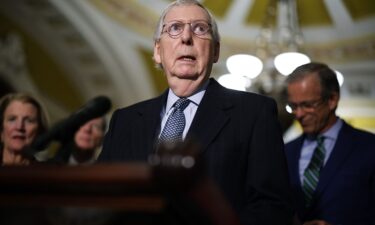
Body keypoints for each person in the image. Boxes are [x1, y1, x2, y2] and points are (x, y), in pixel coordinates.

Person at [98, 0, 294, 224]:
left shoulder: (253, 113)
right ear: (158, 51)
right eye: (174, 28)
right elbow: (102, 199)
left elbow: (271, 206)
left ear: (215, 51)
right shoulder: (125, 121)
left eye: (200, 28)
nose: (186, 37)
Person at [284, 62, 375, 225]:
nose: (298, 114)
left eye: (307, 105)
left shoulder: (369, 147)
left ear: (332, 99)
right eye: (293, 106)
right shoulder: (285, 151)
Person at [0, 93, 48, 165]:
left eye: (29, 121)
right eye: (12, 119)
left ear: (39, 132)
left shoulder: (48, 174)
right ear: (1, 131)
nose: (19, 127)